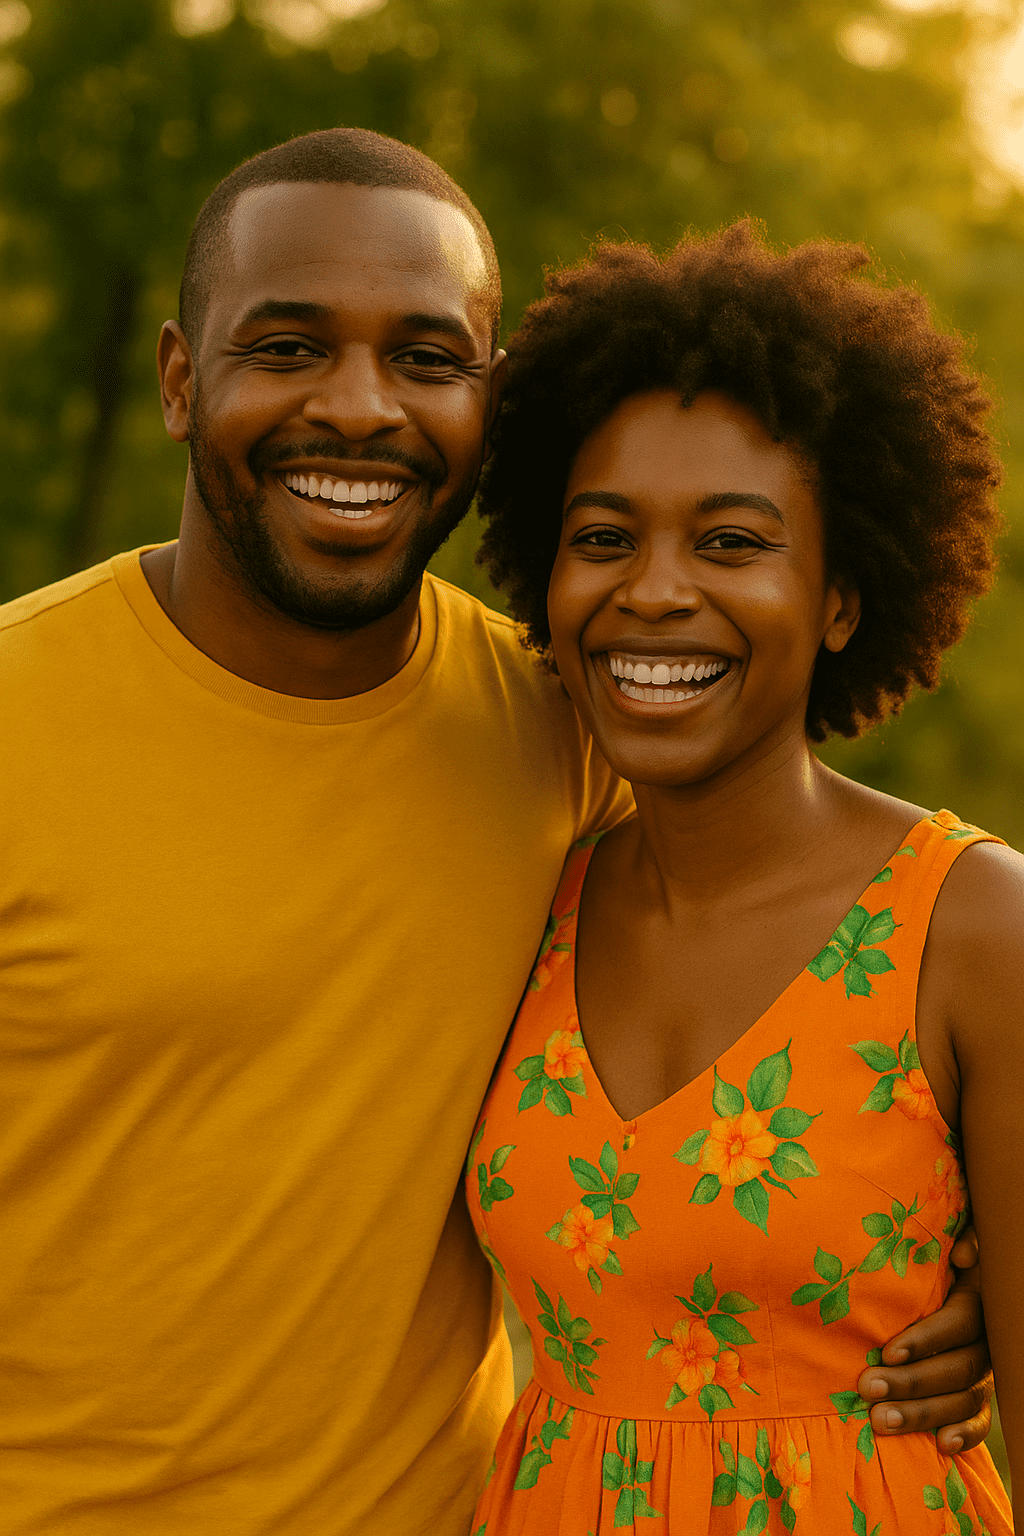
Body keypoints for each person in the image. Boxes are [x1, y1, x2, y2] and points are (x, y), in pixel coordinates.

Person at [0, 133, 997, 1535]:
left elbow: (816, 992)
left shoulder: (562, 734)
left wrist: (952, 1278)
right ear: (178, 379)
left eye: (425, 358)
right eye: (286, 348)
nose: (359, 407)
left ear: (487, 399)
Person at [466, 223, 1021, 1531]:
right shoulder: (525, 897)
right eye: (604, 538)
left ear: (840, 599)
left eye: (730, 542)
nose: (654, 591)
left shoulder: (974, 927)